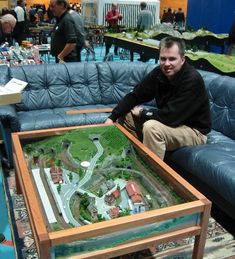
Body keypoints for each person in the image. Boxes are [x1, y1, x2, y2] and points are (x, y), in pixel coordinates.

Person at [105, 36, 211, 160]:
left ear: (182, 60)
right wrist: (112, 117)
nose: (167, 64)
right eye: (163, 59)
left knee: (152, 128)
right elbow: (135, 96)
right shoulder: (158, 74)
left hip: (193, 131)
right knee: (126, 115)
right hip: (171, 124)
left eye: (172, 59)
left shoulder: (192, 79)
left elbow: (170, 116)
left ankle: (150, 175)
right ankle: (135, 158)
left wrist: (143, 112)